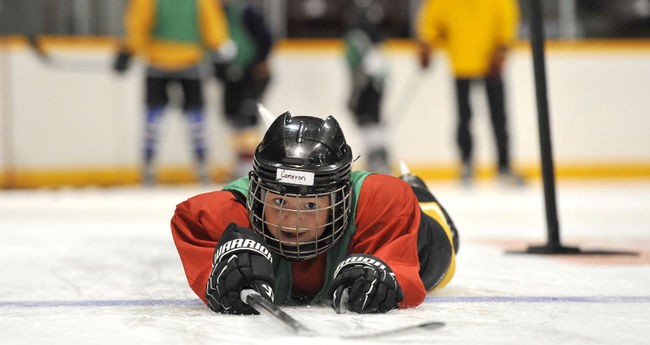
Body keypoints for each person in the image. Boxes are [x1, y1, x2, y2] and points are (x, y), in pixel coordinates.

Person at [171, 111, 459, 314]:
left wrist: (385, 275)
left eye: (310, 205)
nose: (292, 221)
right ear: (257, 193)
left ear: (342, 197)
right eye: (280, 202)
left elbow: (402, 271)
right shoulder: (228, 213)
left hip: (413, 234)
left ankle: (420, 192)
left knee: (442, 257)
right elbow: (190, 222)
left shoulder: (378, 203)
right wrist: (220, 270)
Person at [113, 0, 230, 185]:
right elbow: (211, 22)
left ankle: (149, 167)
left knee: (153, 119)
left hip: (159, 61)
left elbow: (139, 22)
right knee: (195, 119)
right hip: (190, 60)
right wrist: (218, 48)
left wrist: (129, 49)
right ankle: (201, 167)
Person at [415, 0, 524, 185]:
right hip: (465, 61)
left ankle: (502, 165)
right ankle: (469, 163)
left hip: (488, 61)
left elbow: (508, 16)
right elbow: (432, 19)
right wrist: (427, 44)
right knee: (467, 117)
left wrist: (503, 46)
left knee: (495, 116)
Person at [215, 0, 274, 180]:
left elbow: (266, 38)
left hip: (249, 73)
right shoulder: (220, 12)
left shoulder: (245, 11)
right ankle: (243, 162)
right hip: (232, 74)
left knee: (247, 118)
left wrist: (260, 61)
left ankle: (248, 165)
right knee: (233, 116)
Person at [343, 0, 391, 174]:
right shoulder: (371, 40)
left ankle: (377, 156)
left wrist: (355, 92)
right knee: (372, 120)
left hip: (367, 87)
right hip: (372, 86)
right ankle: (378, 155)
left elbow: (361, 67)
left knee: (368, 120)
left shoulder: (358, 38)